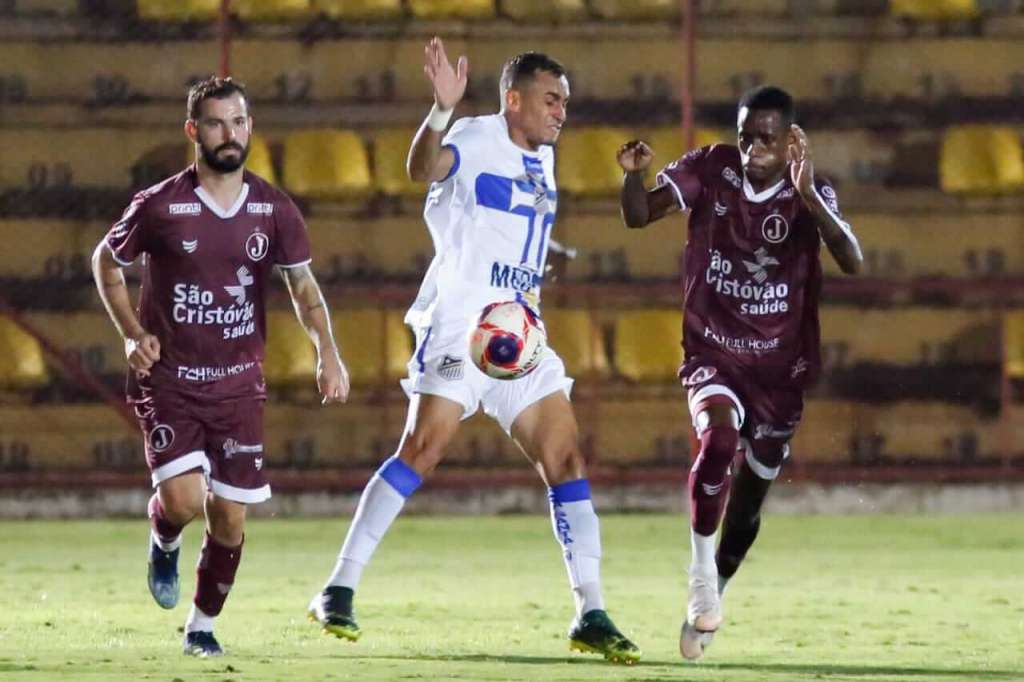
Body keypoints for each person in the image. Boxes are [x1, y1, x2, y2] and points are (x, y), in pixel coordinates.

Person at [307, 37, 641, 665]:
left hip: (520, 335)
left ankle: (590, 611)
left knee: (566, 458)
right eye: (550, 99)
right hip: (463, 324)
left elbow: (512, 227)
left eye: (565, 101)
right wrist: (439, 110)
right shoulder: (477, 134)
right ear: (512, 100)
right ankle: (338, 587)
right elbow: (421, 171)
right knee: (424, 448)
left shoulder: (544, 159)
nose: (561, 112)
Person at [92, 76, 350, 657]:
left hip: (238, 387)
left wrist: (327, 350)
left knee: (230, 518)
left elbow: (303, 287)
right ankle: (163, 536)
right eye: (215, 123)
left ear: (250, 128)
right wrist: (133, 335)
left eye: (238, 122)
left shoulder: (273, 208)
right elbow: (105, 263)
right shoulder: (160, 205)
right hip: (170, 382)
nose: (228, 134)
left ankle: (201, 627)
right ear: (193, 131)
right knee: (185, 501)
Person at [617, 85, 863, 660]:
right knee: (719, 439)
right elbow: (638, 215)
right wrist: (635, 175)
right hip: (714, 351)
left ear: (791, 142)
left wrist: (810, 198)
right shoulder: (712, 167)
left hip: (781, 369)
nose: (752, 149)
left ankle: (715, 592)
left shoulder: (811, 192)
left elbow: (853, 259)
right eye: (745, 135)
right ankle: (701, 576)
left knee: (749, 506)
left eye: (766, 140)